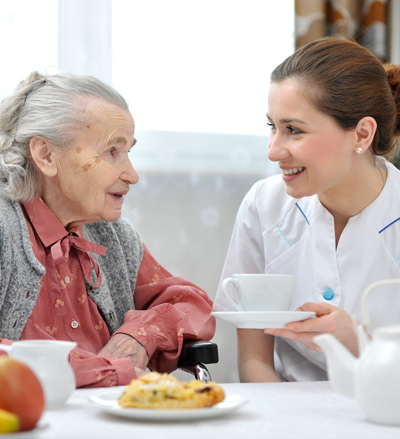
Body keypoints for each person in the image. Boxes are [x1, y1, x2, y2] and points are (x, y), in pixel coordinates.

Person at [0, 71, 215, 388]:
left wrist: (140, 335)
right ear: (46, 155)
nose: (132, 174)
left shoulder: (112, 236)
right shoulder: (6, 230)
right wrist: (112, 371)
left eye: (129, 151)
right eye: (112, 151)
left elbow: (194, 304)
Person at [214, 37, 400, 382]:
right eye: (272, 126)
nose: (273, 150)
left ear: (361, 134)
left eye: (293, 130)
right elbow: (256, 362)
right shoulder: (264, 205)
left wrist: (356, 341)